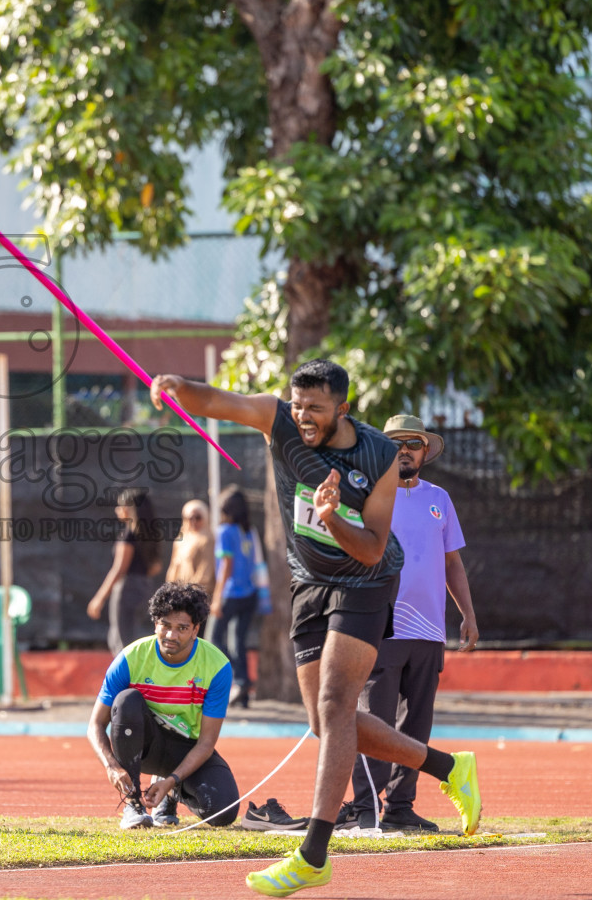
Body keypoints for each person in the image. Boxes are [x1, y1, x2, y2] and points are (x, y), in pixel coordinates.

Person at [149, 360, 481, 897]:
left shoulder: (377, 456)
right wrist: (177, 387)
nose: (303, 416)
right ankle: (448, 766)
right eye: (298, 404)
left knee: (334, 702)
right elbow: (217, 401)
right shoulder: (279, 419)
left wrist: (331, 519)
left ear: (343, 409)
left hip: (367, 581)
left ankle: (314, 853)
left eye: (316, 409)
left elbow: (374, 547)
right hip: (308, 583)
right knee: (329, 722)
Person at [341, 414, 479, 833]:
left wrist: (468, 615)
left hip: (429, 632)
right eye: (396, 442)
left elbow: (452, 562)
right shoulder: (366, 494)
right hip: (381, 628)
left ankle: (401, 805)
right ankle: (365, 807)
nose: (405, 449)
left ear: (425, 452)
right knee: (373, 721)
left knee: (416, 722)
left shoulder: (440, 498)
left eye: (413, 443)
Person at [87, 582, 244, 830]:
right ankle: (134, 803)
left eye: (182, 628)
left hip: (186, 749)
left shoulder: (217, 667)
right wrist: (112, 767)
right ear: (155, 624)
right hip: (144, 748)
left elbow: (206, 743)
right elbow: (96, 724)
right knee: (126, 700)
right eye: (166, 626)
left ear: (195, 630)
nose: (171, 635)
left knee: (223, 812)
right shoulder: (131, 657)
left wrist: (171, 781)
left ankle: (171, 794)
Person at [86, 487, 164, 654]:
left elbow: (119, 569)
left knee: (122, 641)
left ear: (130, 509)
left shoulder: (128, 536)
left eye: (120, 506)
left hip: (127, 589)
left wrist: (99, 599)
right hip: (145, 589)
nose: (117, 510)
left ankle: (127, 678)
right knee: (130, 637)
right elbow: (155, 567)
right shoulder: (149, 535)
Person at [210, 487, 262, 708]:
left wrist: (216, 597)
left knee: (213, 638)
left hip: (231, 593)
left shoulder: (225, 531)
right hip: (250, 593)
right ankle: (243, 686)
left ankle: (237, 679)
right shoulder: (248, 531)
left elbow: (227, 566)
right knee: (237, 641)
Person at [164, 499, 215, 600]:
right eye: (190, 518)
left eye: (198, 517)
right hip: (179, 594)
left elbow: (205, 572)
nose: (193, 521)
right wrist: (169, 589)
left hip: (197, 596)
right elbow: (174, 566)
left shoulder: (207, 540)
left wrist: (191, 593)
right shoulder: (181, 539)